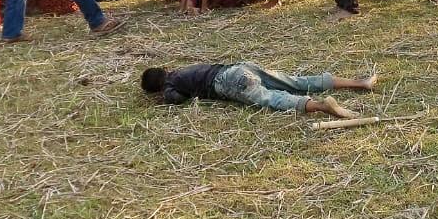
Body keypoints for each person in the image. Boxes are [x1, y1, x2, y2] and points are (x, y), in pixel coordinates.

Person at [142, 63, 377, 119]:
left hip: (227, 83)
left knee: (273, 99)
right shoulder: (181, 70)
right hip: (239, 67)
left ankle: (320, 106)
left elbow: (177, 99)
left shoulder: (170, 86)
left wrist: (164, 98)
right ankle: (360, 83)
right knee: (294, 81)